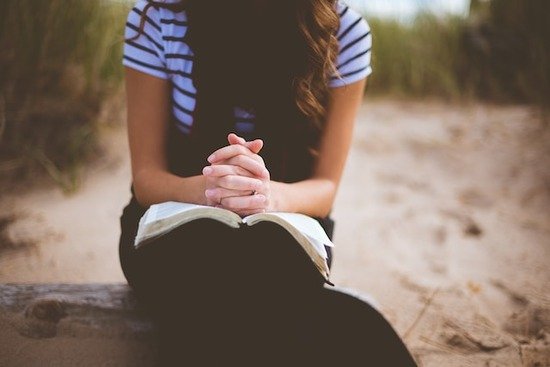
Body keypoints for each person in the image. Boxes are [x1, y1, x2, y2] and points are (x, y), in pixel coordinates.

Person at [118, 0, 417, 365]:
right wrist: (213, 189)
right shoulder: (160, 16)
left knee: (264, 268)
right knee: (207, 272)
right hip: (171, 222)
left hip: (287, 228)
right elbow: (147, 179)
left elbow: (325, 188)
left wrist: (267, 195)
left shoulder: (344, 32)